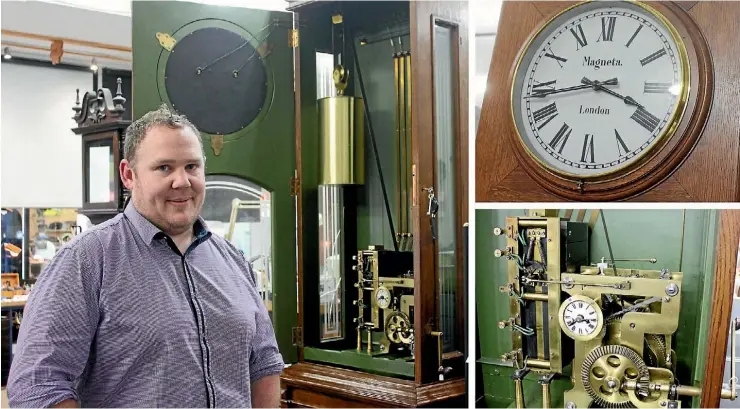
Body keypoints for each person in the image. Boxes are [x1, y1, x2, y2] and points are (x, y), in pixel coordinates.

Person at [6, 103, 283, 408]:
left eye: (191, 166)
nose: (182, 181)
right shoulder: (85, 261)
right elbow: (38, 386)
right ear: (128, 175)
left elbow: (264, 363)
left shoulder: (233, 261)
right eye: (164, 167)